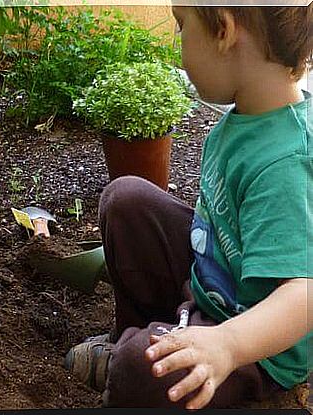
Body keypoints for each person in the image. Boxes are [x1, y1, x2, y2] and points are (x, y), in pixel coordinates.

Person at [65, 5, 312, 409]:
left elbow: (304, 295)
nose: (177, 41)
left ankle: (133, 358)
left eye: (182, 25)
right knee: (126, 199)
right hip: (213, 285)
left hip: (256, 347)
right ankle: (138, 335)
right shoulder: (247, 117)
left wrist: (227, 346)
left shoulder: (286, 164)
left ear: (225, 32)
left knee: (138, 369)